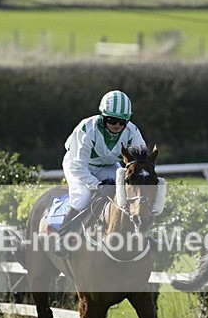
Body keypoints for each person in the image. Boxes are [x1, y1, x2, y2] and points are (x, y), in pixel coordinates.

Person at [56, 90, 146, 255]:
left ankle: (142, 233)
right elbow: (78, 166)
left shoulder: (132, 132)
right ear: (103, 116)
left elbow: (140, 162)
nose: (117, 125)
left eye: (122, 121)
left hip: (108, 166)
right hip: (79, 166)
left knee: (127, 192)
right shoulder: (87, 129)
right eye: (112, 120)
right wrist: (97, 186)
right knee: (82, 196)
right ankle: (63, 236)